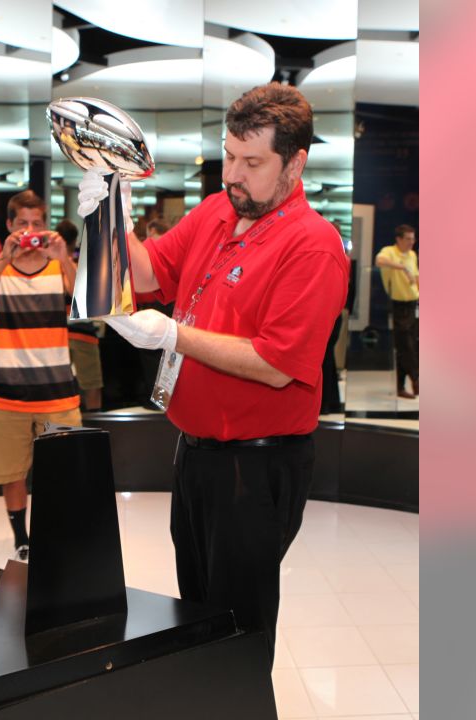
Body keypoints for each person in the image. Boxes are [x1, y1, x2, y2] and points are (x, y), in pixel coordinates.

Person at [99, 83, 349, 667]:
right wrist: (112, 215)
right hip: (196, 452)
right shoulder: (218, 209)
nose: (233, 174)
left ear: (296, 163)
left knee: (238, 628)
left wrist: (173, 335)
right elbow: (152, 269)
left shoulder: (311, 247)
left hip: (256, 465)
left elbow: (277, 365)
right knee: (198, 615)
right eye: (229, 157)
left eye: (252, 163)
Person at [0, 191, 81, 562]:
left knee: (63, 473)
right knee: (11, 472)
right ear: (10, 226)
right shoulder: (0, 267)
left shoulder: (58, 266)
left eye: (38, 224)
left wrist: (64, 260)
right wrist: (2, 258)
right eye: (23, 224)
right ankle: (21, 537)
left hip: (57, 392)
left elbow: (85, 300)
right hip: (7, 393)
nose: (31, 231)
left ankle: (56, 532)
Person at [55, 219, 103, 411]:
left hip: (58, 334)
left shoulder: (48, 266)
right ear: (75, 241)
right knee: (91, 385)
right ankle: (94, 430)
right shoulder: (82, 265)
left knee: (59, 387)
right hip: (83, 331)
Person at [374, 224, 419, 398]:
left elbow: (416, 277)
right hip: (398, 304)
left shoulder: (412, 255)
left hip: (412, 303)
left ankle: (401, 386)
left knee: (408, 345)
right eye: (408, 239)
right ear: (399, 239)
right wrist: (401, 267)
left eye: (413, 238)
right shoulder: (389, 251)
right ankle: (416, 378)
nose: (411, 242)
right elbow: (379, 261)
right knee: (405, 345)